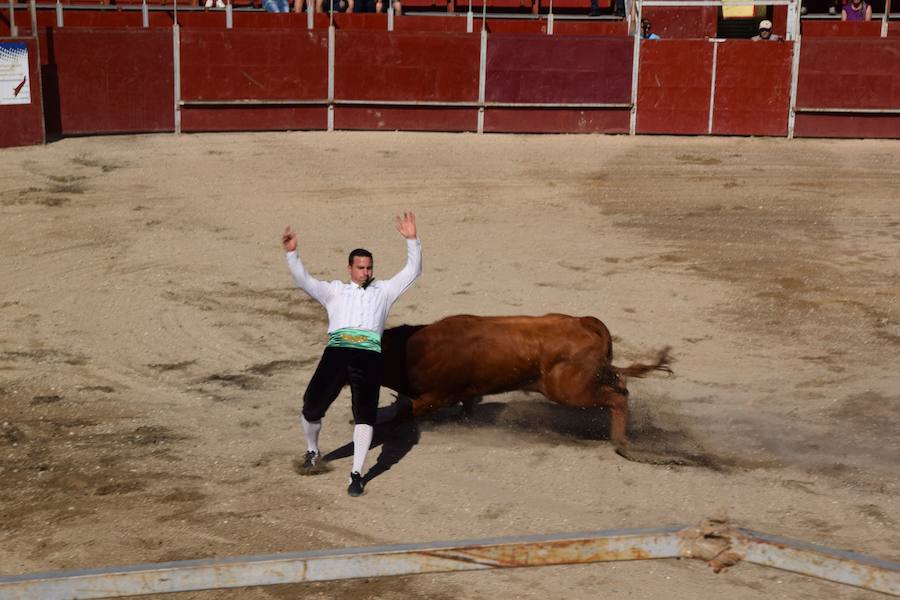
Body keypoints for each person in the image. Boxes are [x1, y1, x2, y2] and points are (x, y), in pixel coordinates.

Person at [282, 212, 421, 497]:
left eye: (369, 268)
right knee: (311, 406)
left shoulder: (384, 291)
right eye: (360, 268)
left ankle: (356, 473)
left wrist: (412, 240)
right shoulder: (334, 291)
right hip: (337, 353)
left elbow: (413, 271)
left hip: (369, 355)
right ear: (350, 269)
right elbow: (303, 281)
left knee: (365, 415)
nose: (366, 273)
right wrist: (292, 254)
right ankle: (312, 450)